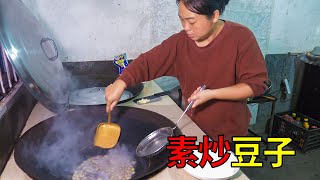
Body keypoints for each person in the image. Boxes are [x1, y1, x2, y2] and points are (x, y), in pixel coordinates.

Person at [105, 0, 268, 150]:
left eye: (191, 21)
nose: (186, 27)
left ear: (214, 16)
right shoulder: (180, 43)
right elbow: (147, 62)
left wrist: (212, 94)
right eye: (181, 19)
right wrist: (121, 82)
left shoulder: (241, 37)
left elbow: (256, 85)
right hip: (193, 128)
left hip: (230, 135)